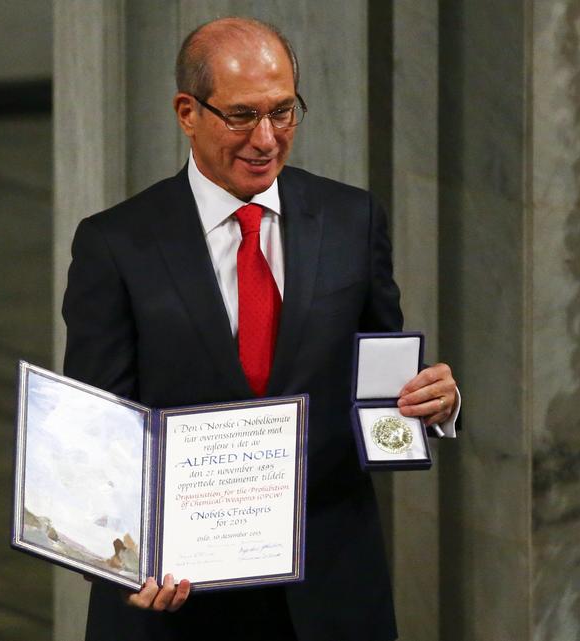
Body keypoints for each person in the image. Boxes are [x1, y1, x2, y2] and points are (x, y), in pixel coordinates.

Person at [62, 16, 459, 641]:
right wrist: (123, 560)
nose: (267, 139)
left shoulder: (351, 220)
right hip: (178, 599)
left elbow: (383, 380)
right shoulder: (116, 244)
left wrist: (434, 400)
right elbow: (97, 429)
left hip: (328, 593)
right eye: (242, 116)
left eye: (284, 112)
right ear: (187, 112)